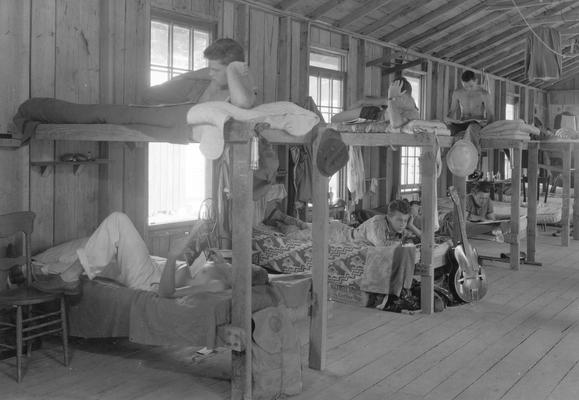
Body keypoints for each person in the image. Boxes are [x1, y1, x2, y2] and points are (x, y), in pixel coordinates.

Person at [265, 200, 421, 312]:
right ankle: (277, 224)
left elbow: (418, 239)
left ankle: (278, 218)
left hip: (341, 230)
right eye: (399, 219)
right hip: (338, 236)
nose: (402, 224)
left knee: (307, 227)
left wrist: (411, 226)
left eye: (405, 220)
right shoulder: (377, 224)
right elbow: (383, 248)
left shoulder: (396, 227)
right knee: (296, 236)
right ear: (389, 216)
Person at [32, 212, 229, 298]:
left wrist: (172, 256)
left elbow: (168, 293)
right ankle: (35, 267)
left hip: (149, 280)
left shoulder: (217, 284)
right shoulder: (223, 268)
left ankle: (68, 276)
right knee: (95, 246)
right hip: (155, 266)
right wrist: (195, 234)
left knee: (118, 221)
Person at [143, 38, 256, 109]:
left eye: (215, 70)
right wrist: (180, 77)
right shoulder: (211, 75)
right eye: (210, 68)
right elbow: (208, 71)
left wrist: (232, 68)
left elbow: (242, 102)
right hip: (194, 91)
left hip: (194, 100)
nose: (211, 73)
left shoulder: (244, 76)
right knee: (148, 95)